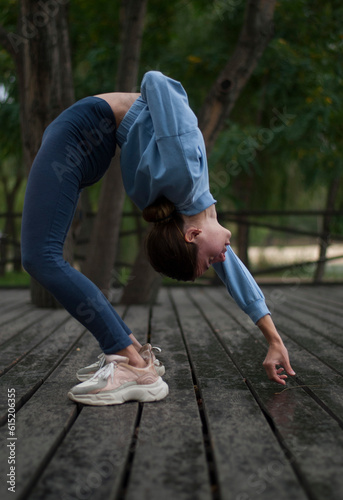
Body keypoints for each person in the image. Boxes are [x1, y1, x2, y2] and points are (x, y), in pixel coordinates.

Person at [21, 71, 295, 406]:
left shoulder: (188, 208)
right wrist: (171, 122)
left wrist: (274, 339)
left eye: (210, 262)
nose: (221, 260)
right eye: (210, 262)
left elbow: (236, 278)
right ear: (192, 234)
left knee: (40, 256)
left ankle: (131, 357)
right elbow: (156, 80)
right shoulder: (183, 172)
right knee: (41, 256)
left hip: (82, 141)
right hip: (80, 131)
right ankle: (131, 360)